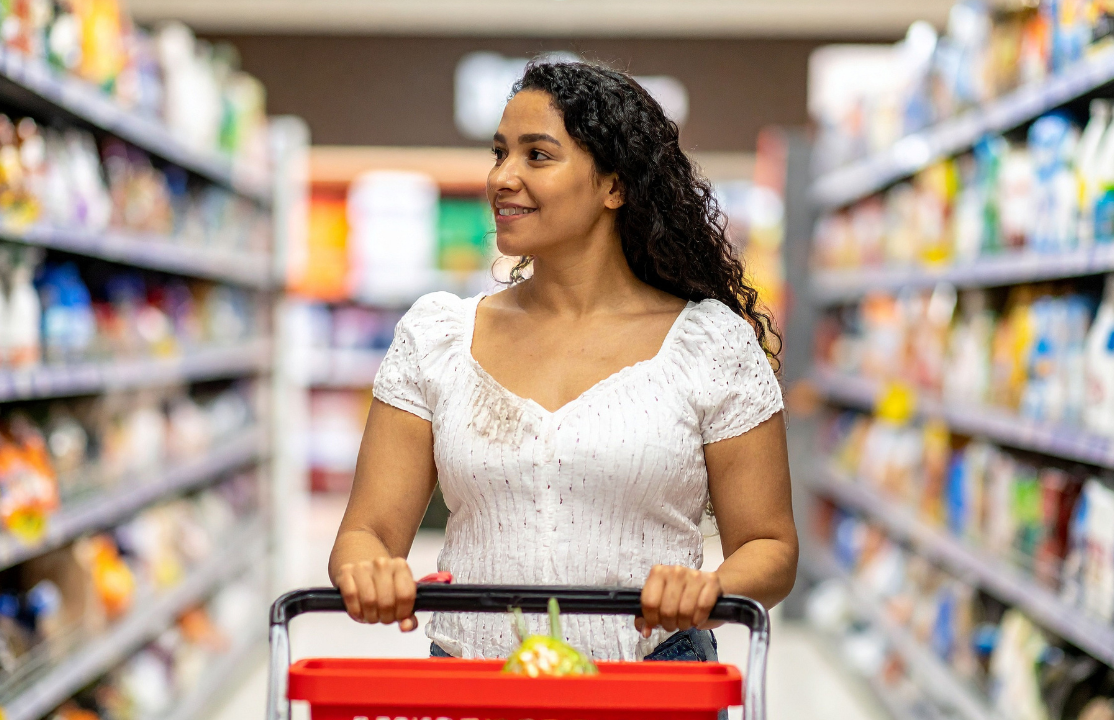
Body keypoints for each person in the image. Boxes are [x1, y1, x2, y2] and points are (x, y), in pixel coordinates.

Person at [328, 60, 796, 663]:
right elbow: (365, 533)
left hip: (653, 689)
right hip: (473, 692)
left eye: (537, 155)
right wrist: (369, 571)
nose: (503, 177)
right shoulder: (437, 336)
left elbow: (770, 544)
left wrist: (710, 588)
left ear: (614, 185)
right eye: (500, 153)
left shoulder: (711, 345)